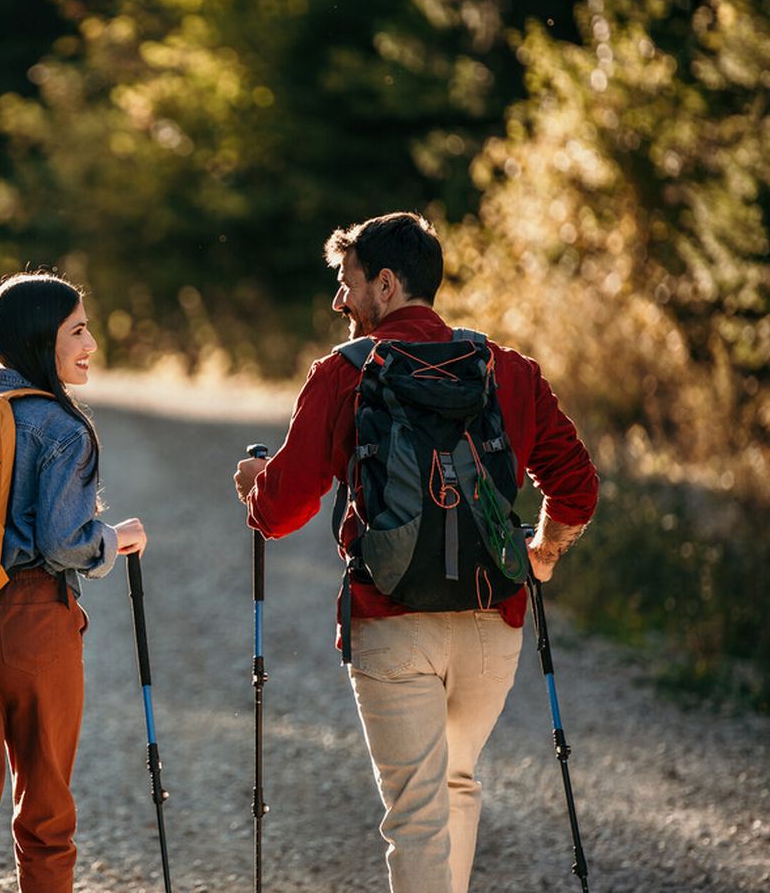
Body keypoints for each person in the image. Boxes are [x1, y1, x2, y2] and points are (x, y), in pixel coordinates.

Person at [232, 212, 598, 893]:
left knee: (416, 813)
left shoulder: (344, 373)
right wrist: (543, 552)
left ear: (387, 283)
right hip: (494, 622)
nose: (340, 301)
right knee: (456, 782)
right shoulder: (507, 370)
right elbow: (577, 485)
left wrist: (256, 486)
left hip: (390, 618)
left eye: (348, 285)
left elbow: (280, 513)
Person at [0, 271, 147, 893]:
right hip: (32, 628)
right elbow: (63, 542)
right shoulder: (62, 429)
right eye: (78, 330)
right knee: (45, 822)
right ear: (43, 340)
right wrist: (116, 538)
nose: (90, 343)